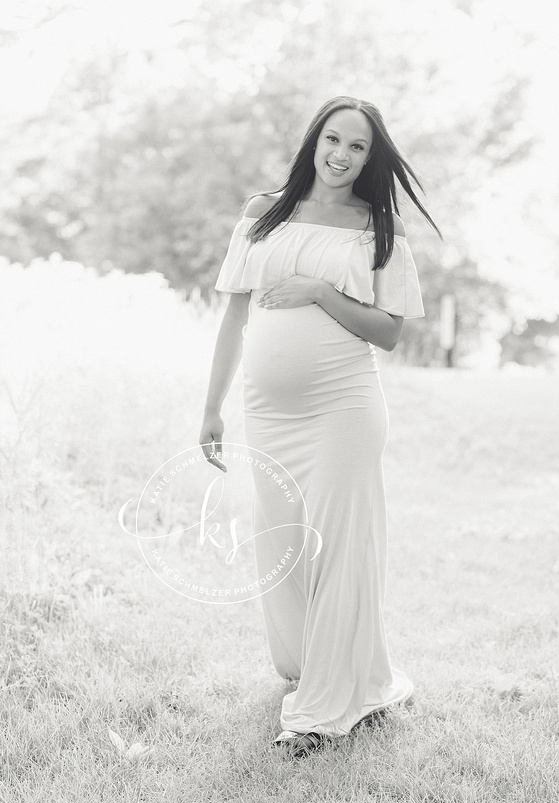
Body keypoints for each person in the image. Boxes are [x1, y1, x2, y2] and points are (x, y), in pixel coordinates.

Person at [199, 95, 441, 758]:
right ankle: (318, 668)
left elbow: (388, 334)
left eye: (356, 146)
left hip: (343, 409)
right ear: (313, 140)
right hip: (268, 411)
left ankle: (320, 714)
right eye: (332, 138)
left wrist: (319, 292)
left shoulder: (375, 228)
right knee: (282, 545)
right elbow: (232, 317)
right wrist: (209, 407)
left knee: (338, 547)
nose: (340, 154)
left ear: (370, 158)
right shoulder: (262, 213)